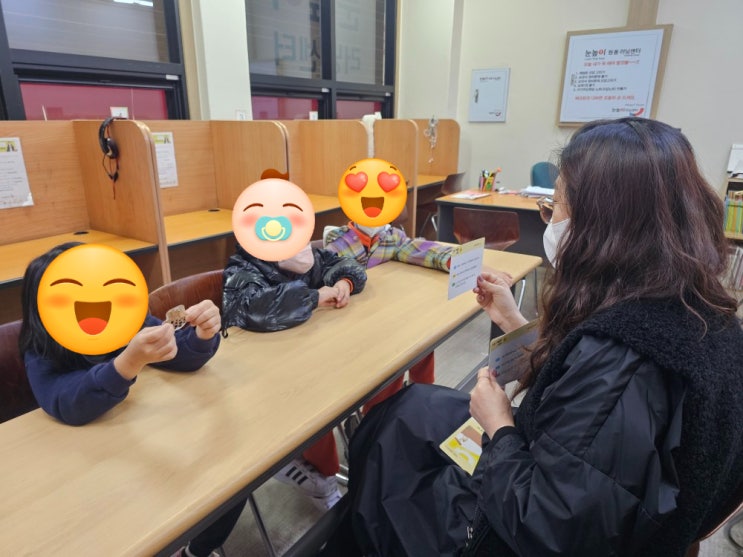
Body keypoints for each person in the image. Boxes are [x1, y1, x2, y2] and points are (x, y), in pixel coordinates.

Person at [324, 117, 743, 556]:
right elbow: (580, 390)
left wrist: (499, 425)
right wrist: (513, 320)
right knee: (412, 406)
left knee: (390, 449)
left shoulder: (624, 366)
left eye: (555, 205)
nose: (549, 220)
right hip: (567, 476)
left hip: (509, 529)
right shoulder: (691, 307)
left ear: (603, 224)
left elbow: (547, 529)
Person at [20, 243, 239, 557]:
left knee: (230, 479)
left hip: (147, 457)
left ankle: (196, 550)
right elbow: (67, 404)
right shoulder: (41, 348)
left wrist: (202, 335)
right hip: (79, 476)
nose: (98, 303)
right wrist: (126, 363)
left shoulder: (127, 319)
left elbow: (178, 354)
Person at [221, 241, 367, 510]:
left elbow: (347, 264)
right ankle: (320, 479)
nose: (303, 246)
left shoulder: (310, 257)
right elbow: (251, 308)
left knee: (354, 377)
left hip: (310, 359)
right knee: (317, 403)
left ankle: (367, 449)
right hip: (264, 376)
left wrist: (344, 282)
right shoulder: (243, 268)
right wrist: (313, 298)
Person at [324, 219, 453, 412]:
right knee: (391, 364)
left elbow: (417, 249)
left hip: (387, 318)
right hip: (351, 325)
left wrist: (451, 259)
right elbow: (334, 268)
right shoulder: (338, 241)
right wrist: (345, 281)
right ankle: (377, 416)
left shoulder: (391, 237)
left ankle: (423, 399)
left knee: (422, 339)